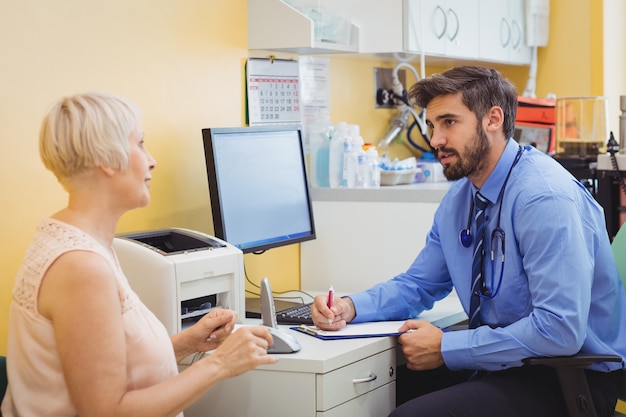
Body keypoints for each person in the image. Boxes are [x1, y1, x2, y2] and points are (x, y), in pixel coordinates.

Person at [311, 66, 626, 417]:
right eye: (432, 125)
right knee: (374, 395)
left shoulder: (545, 199)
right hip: (505, 361)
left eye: (449, 122)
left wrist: (447, 346)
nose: (435, 140)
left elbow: (559, 330)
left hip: (567, 377)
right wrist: (351, 307)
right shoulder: (461, 198)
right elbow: (419, 284)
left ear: (493, 119)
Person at [1, 92, 278, 417]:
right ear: (107, 159)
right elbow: (106, 411)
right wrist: (220, 364)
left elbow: (104, 367)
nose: (152, 160)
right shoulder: (80, 267)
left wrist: (188, 343)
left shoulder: (76, 239)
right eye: (141, 144)